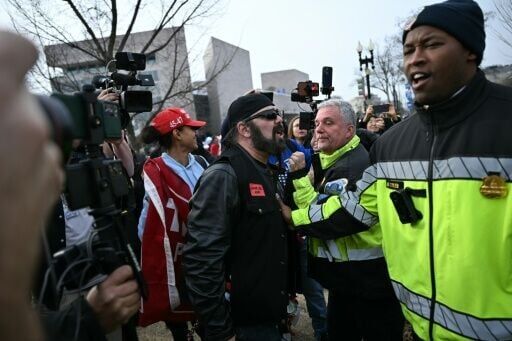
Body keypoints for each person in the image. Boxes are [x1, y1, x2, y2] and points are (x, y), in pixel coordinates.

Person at [281, 1, 512, 340]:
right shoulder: (390, 146)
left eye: (432, 44)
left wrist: (292, 214)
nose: (415, 58)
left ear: (470, 51)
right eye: (408, 49)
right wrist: (295, 212)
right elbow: (351, 212)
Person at [285, 100, 403, 340]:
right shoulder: (332, 159)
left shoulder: (354, 166)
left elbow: (333, 219)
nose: (318, 129)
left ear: (350, 130)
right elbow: (319, 207)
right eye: (317, 123)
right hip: (348, 283)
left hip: (370, 286)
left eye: (328, 122)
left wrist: (291, 216)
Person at [183, 93, 288, 341]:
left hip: (268, 317)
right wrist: (221, 331)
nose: (279, 121)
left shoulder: (265, 170)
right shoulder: (223, 175)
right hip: (241, 326)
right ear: (244, 129)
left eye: (279, 114)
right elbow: (201, 261)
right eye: (270, 116)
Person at [138, 107, 207, 339]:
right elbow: (145, 230)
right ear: (177, 134)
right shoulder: (156, 170)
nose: (196, 133)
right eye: (191, 129)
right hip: (177, 262)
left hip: (206, 261)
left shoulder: (201, 164)